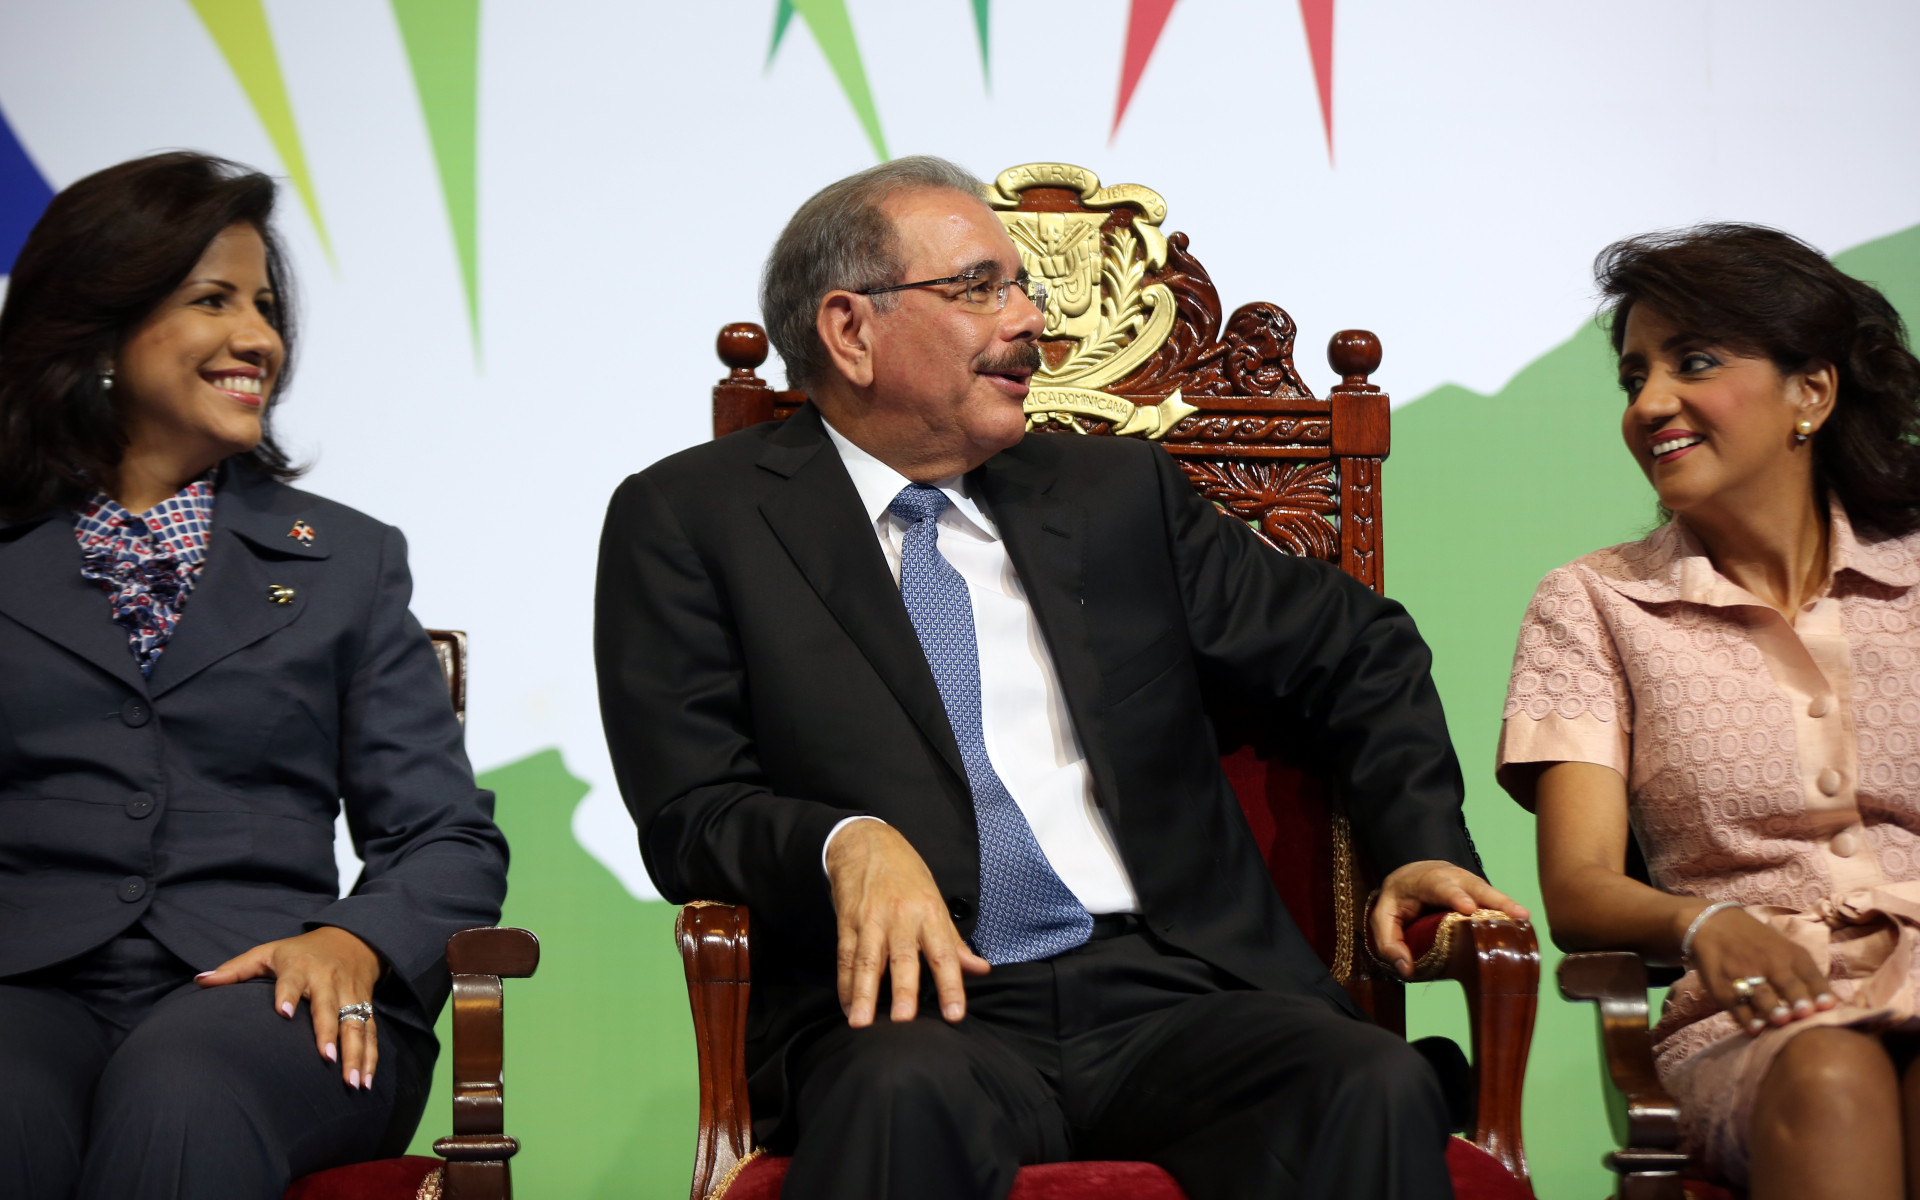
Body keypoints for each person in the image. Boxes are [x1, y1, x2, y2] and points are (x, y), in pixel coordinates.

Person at [596, 155, 1523, 1200]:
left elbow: (1360, 648)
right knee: (896, 1099)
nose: (1033, 319)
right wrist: (843, 840)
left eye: (1024, 287)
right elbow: (689, 808)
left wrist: (1420, 844)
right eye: (980, 287)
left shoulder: (1114, 495)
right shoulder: (694, 520)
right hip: (913, 1009)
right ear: (851, 330)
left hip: (1173, 990)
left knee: (1371, 1084)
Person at [0, 152, 509, 1198]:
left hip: (272, 990)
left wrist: (354, 939)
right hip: (24, 978)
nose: (260, 339)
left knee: (180, 1091)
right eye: (214, 300)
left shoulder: (349, 561)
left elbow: (444, 836)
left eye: (267, 308)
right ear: (99, 327)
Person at [1500, 223, 1920, 1198]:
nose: (1650, 403)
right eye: (1633, 376)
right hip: (1752, 1021)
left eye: (1693, 363)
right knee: (1832, 1075)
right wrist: (1704, 924)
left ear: (1811, 393)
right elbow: (1579, 889)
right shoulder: (1593, 603)